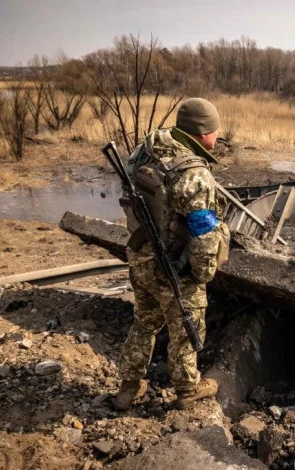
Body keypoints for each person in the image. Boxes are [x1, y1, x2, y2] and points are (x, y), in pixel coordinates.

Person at [113, 98, 230, 411]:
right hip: (173, 267)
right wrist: (201, 276)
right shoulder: (195, 176)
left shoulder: (148, 148)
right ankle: (188, 390)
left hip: (141, 255)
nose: (218, 136)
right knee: (186, 331)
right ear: (202, 132)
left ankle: (128, 387)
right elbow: (204, 235)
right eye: (215, 130)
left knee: (144, 322)